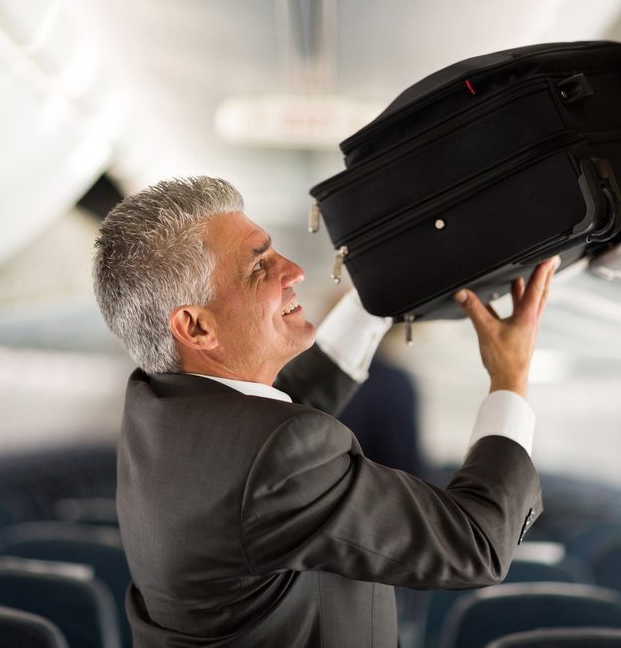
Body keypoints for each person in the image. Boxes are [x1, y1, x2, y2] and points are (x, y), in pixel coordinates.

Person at [92, 176, 558, 647]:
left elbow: (266, 421)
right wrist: (510, 376)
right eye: (259, 267)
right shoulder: (272, 458)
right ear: (196, 327)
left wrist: (375, 297)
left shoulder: (157, 409)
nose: (293, 270)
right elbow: (478, 545)